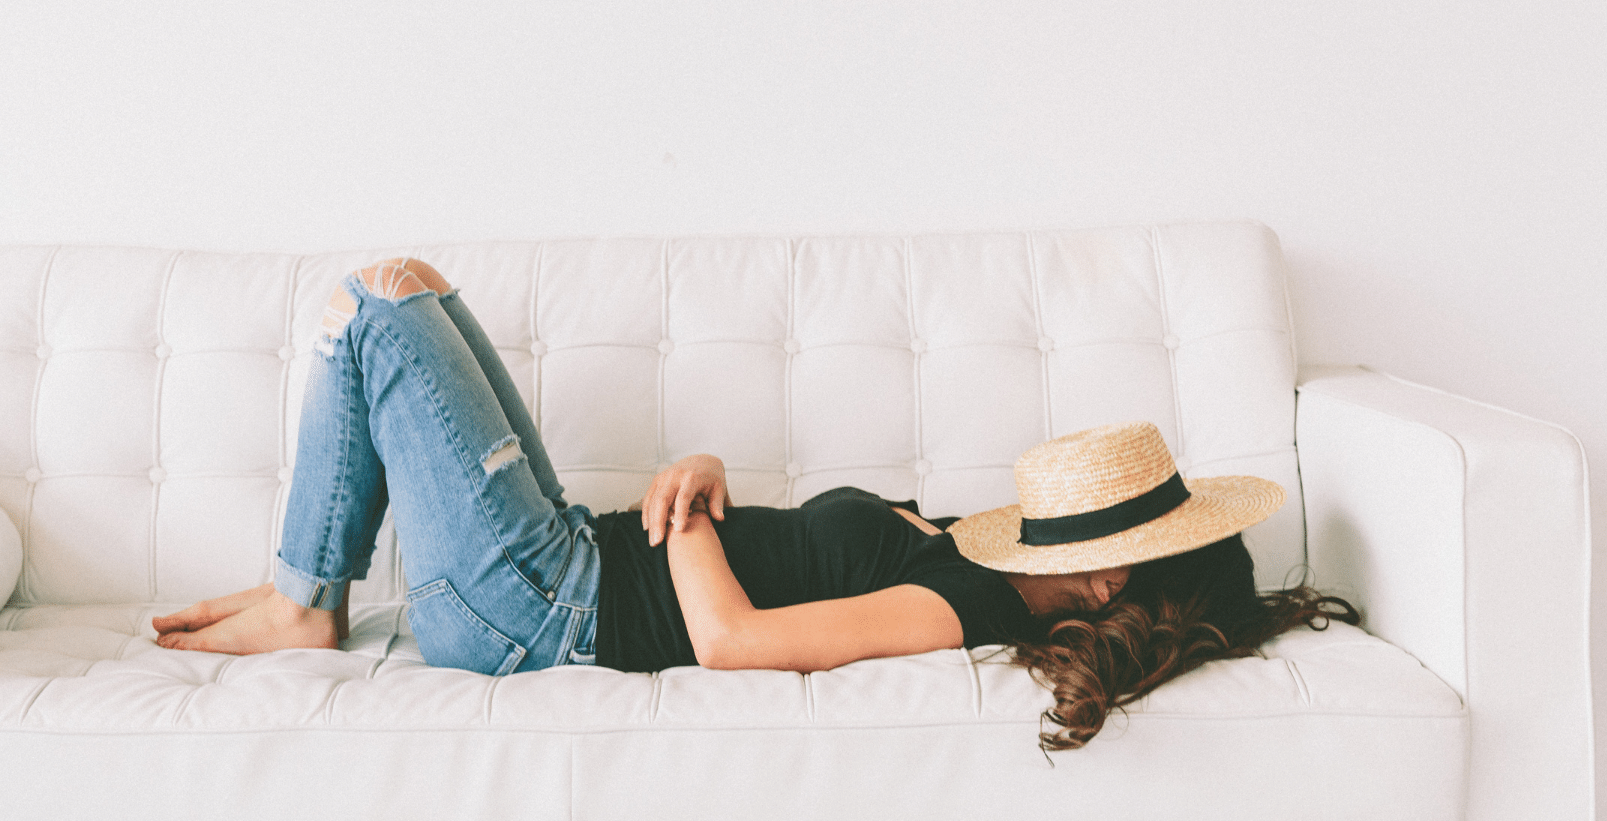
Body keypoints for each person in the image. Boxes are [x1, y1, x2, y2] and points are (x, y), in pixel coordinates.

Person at [151, 258, 1357, 750]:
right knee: (412, 288)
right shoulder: (962, 551)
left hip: (544, 617)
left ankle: (305, 603)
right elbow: (782, 568)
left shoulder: (957, 607)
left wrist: (688, 511)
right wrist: (708, 486)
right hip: (570, 561)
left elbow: (734, 646)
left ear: (1107, 578)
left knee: (378, 300)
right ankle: (301, 593)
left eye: (1112, 530)